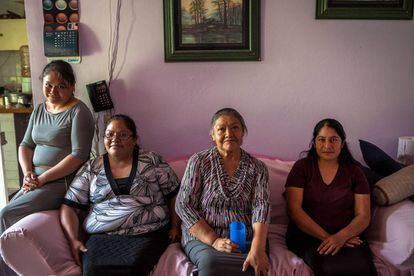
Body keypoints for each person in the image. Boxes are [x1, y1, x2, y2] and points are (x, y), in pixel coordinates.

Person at [60, 114, 181, 276]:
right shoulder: (92, 167)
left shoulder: (152, 161)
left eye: (122, 135)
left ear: (134, 139)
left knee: (131, 268)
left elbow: (176, 195)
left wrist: (175, 227)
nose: (115, 139)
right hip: (102, 237)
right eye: (109, 134)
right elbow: (69, 206)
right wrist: (73, 239)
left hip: (146, 234)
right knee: (92, 270)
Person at [0, 60, 94, 233]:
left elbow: (78, 156)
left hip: (61, 182)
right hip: (35, 179)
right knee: (5, 211)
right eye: (48, 85)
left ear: (73, 86)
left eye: (61, 86)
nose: (53, 91)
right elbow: (26, 145)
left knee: (7, 213)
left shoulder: (79, 112)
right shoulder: (39, 110)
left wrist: (42, 179)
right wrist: (28, 172)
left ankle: (7, 260)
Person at [176, 107, 270, 276]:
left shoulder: (257, 167)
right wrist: (214, 240)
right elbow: (183, 205)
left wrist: (257, 248)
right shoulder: (199, 162)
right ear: (212, 135)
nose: (229, 133)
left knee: (254, 264)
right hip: (203, 238)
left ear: (243, 133)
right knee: (212, 263)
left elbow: (261, 208)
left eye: (235, 127)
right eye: (221, 129)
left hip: (246, 239)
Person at [285, 118, 377, 276]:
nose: (327, 146)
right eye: (321, 140)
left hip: (348, 235)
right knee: (331, 268)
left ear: (342, 143)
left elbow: (363, 216)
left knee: (361, 269)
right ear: (314, 143)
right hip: (307, 235)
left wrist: (341, 237)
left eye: (334, 140)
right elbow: (295, 210)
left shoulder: (354, 172)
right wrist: (330, 238)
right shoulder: (302, 168)